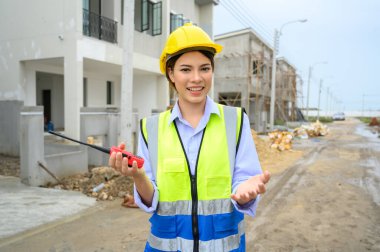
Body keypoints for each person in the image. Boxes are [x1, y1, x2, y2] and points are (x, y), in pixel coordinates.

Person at [109, 23, 270, 252]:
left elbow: (243, 183)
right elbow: (151, 198)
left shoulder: (235, 121)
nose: (196, 78)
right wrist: (138, 177)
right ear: (171, 74)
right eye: (185, 69)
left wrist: (245, 193)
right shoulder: (151, 128)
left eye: (204, 68)